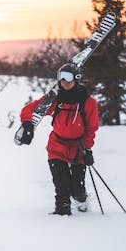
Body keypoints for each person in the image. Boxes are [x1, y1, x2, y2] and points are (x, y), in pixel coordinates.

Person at [19, 63, 99, 215]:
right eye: (60, 78)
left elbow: (91, 129)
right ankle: (62, 213)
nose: (64, 82)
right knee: (62, 185)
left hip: (78, 147)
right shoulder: (55, 99)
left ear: (77, 79)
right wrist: (28, 124)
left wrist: (88, 150)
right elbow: (29, 109)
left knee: (76, 188)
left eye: (68, 78)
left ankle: (81, 200)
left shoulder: (88, 102)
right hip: (57, 145)